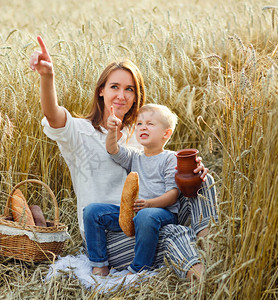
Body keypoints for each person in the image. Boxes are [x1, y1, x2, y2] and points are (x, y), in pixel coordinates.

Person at [29, 36, 215, 280]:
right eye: (114, 87)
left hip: (147, 218)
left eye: (130, 89)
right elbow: (52, 115)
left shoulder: (140, 131)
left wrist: (190, 172)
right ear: (101, 91)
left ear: (136, 97)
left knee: (202, 181)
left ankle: (211, 250)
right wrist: (47, 76)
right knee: (169, 234)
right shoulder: (79, 131)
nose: (122, 95)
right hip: (108, 234)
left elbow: (162, 170)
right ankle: (204, 278)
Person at [84, 104, 181, 276]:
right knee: (92, 211)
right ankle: (99, 263)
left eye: (150, 124)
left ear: (166, 134)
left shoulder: (170, 158)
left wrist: (149, 204)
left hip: (161, 213)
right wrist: (112, 131)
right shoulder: (135, 157)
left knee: (145, 216)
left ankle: (139, 269)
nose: (143, 127)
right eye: (139, 124)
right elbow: (112, 150)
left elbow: (173, 195)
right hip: (135, 212)